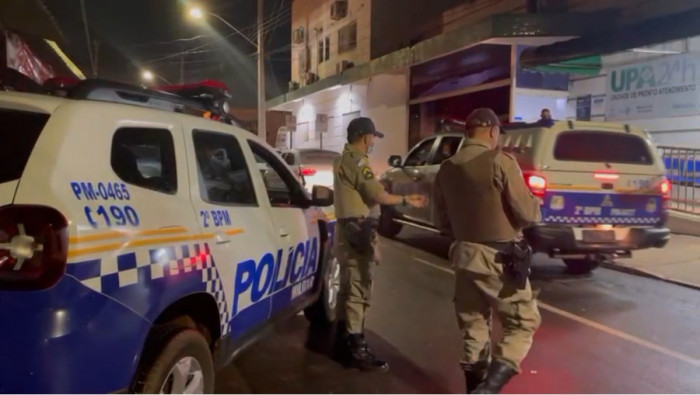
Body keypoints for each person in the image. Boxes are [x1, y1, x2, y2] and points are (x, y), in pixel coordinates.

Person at [433, 108, 542, 393]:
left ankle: (473, 388)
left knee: (473, 325)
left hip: (463, 256)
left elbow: (440, 221)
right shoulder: (500, 161)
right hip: (499, 259)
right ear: (493, 131)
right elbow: (527, 213)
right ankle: (488, 390)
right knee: (522, 323)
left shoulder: (447, 168)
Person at [333, 116, 427, 371]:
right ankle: (356, 346)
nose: (373, 141)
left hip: (348, 231)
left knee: (348, 287)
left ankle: (342, 338)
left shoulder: (343, 159)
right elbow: (377, 194)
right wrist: (408, 200)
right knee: (359, 287)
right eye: (373, 137)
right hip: (359, 231)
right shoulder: (357, 161)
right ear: (365, 137)